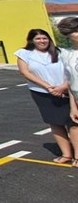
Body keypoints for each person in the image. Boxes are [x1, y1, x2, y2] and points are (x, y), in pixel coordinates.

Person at [15, 28, 74, 164]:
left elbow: (71, 70)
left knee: (73, 123)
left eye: (44, 38)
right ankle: (66, 154)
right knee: (55, 122)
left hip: (66, 91)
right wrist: (48, 87)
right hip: (42, 93)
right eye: (38, 38)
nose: (42, 41)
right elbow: (26, 73)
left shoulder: (60, 52)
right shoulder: (24, 54)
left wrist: (63, 87)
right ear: (32, 40)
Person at [49, 17, 78, 166]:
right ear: (67, 35)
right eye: (75, 31)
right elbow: (71, 82)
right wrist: (73, 107)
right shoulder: (68, 55)